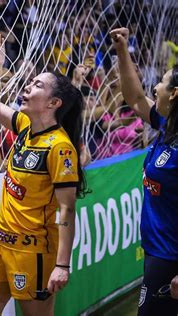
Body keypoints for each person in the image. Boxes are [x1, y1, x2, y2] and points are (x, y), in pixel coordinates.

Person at [0, 71, 88, 315]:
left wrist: (62, 265)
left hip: (33, 251)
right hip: (0, 242)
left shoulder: (60, 147)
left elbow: (67, 208)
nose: (27, 87)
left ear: (53, 103)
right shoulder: (24, 125)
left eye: (37, 85)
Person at [111, 27, 178, 315]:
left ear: (174, 94)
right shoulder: (166, 126)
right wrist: (122, 50)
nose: (155, 87)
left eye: (161, 83)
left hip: (171, 259)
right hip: (158, 252)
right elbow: (135, 98)